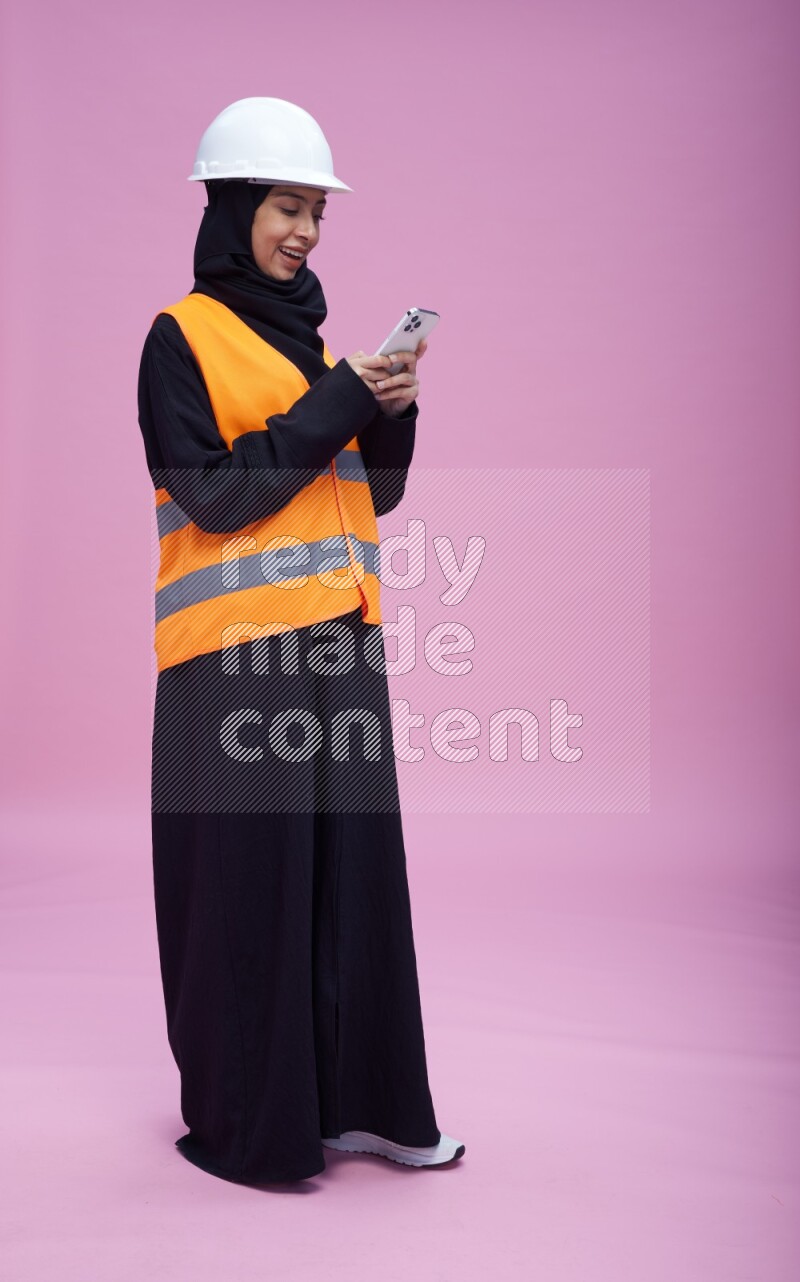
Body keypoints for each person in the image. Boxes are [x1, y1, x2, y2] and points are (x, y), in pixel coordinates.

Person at [136, 97, 465, 1184]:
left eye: (316, 213)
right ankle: (252, 1127)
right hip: (228, 662)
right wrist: (333, 404)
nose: (305, 233)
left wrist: (391, 409)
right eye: (286, 207)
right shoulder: (177, 337)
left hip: (335, 645)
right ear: (232, 209)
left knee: (351, 884)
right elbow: (210, 492)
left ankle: (362, 1109)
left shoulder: (315, 342)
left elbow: (372, 493)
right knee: (248, 894)